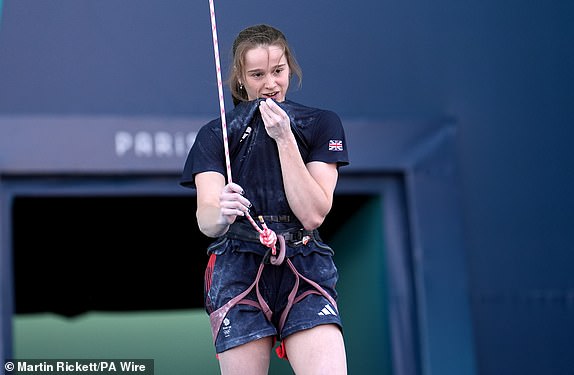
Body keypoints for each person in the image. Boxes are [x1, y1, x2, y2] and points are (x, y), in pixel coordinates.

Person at [180, 24, 349, 375]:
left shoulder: (321, 123)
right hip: (238, 265)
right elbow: (207, 221)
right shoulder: (215, 134)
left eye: (278, 71)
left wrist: (284, 138)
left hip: (303, 261)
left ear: (291, 69)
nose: (270, 84)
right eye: (257, 74)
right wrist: (222, 211)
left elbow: (314, 214)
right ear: (240, 79)